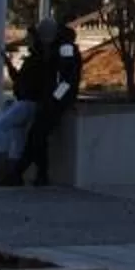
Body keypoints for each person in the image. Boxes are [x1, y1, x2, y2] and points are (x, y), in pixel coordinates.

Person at [12, 17, 81, 187]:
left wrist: (54, 99)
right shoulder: (54, 47)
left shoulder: (65, 48)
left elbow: (67, 79)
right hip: (50, 99)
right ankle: (38, 174)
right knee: (38, 136)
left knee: (37, 135)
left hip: (57, 100)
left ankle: (21, 172)